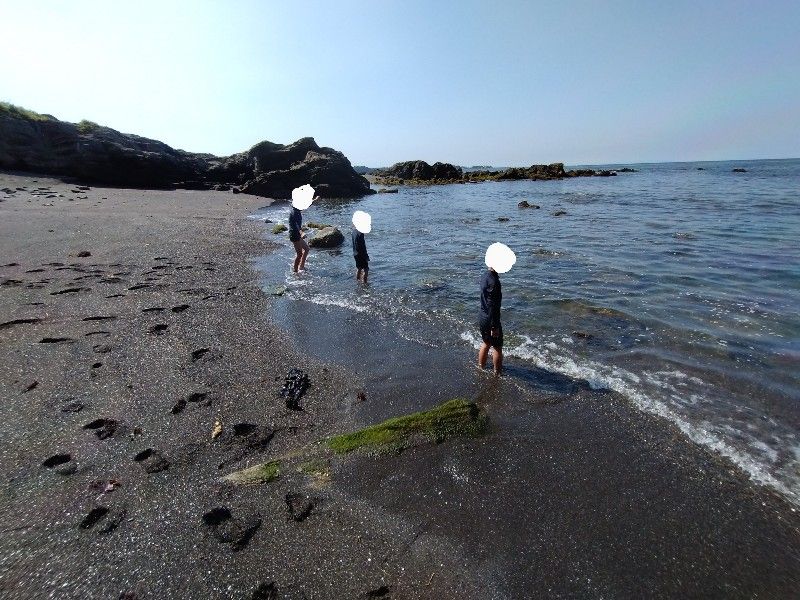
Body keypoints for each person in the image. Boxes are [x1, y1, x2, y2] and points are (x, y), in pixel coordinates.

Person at [477, 266, 503, 375]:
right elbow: (492, 306)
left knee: (486, 342)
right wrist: (494, 326)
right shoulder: (494, 282)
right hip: (490, 318)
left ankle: (481, 367)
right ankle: (497, 373)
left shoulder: (485, 276)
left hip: (482, 315)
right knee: (497, 347)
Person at [351, 210, 371, 283]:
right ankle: (365, 284)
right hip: (361, 254)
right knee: (366, 269)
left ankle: (358, 282)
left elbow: (355, 243)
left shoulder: (353, 232)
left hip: (355, 253)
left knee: (359, 268)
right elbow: (362, 246)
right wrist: (366, 256)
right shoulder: (361, 233)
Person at [289, 205, 309, 273]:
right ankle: (295, 271)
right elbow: (297, 225)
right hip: (294, 235)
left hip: (296, 234)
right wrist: (301, 233)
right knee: (299, 254)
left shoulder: (297, 210)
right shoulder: (295, 213)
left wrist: (315, 200)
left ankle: (301, 266)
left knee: (306, 249)